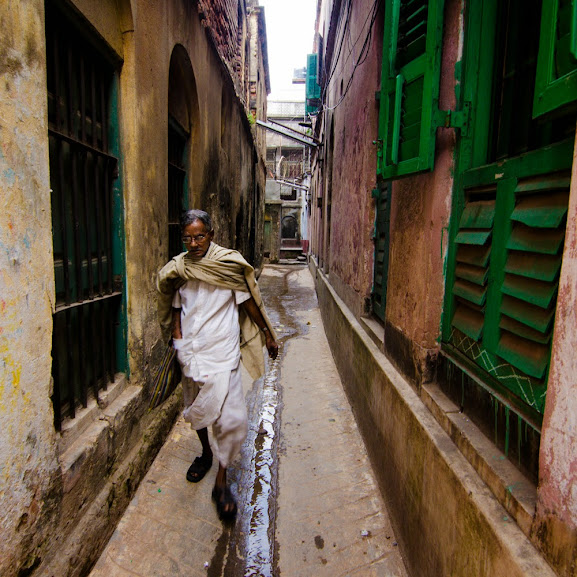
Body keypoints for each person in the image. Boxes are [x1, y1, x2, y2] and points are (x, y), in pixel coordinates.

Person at [156, 209, 278, 520]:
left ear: (211, 234)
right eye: (188, 238)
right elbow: (175, 311)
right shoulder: (180, 269)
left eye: (199, 236)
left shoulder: (227, 265)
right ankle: (206, 454)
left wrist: (267, 334)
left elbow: (249, 302)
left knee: (233, 420)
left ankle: (222, 481)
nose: (194, 243)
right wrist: (179, 343)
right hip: (193, 355)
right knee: (197, 411)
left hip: (224, 355)